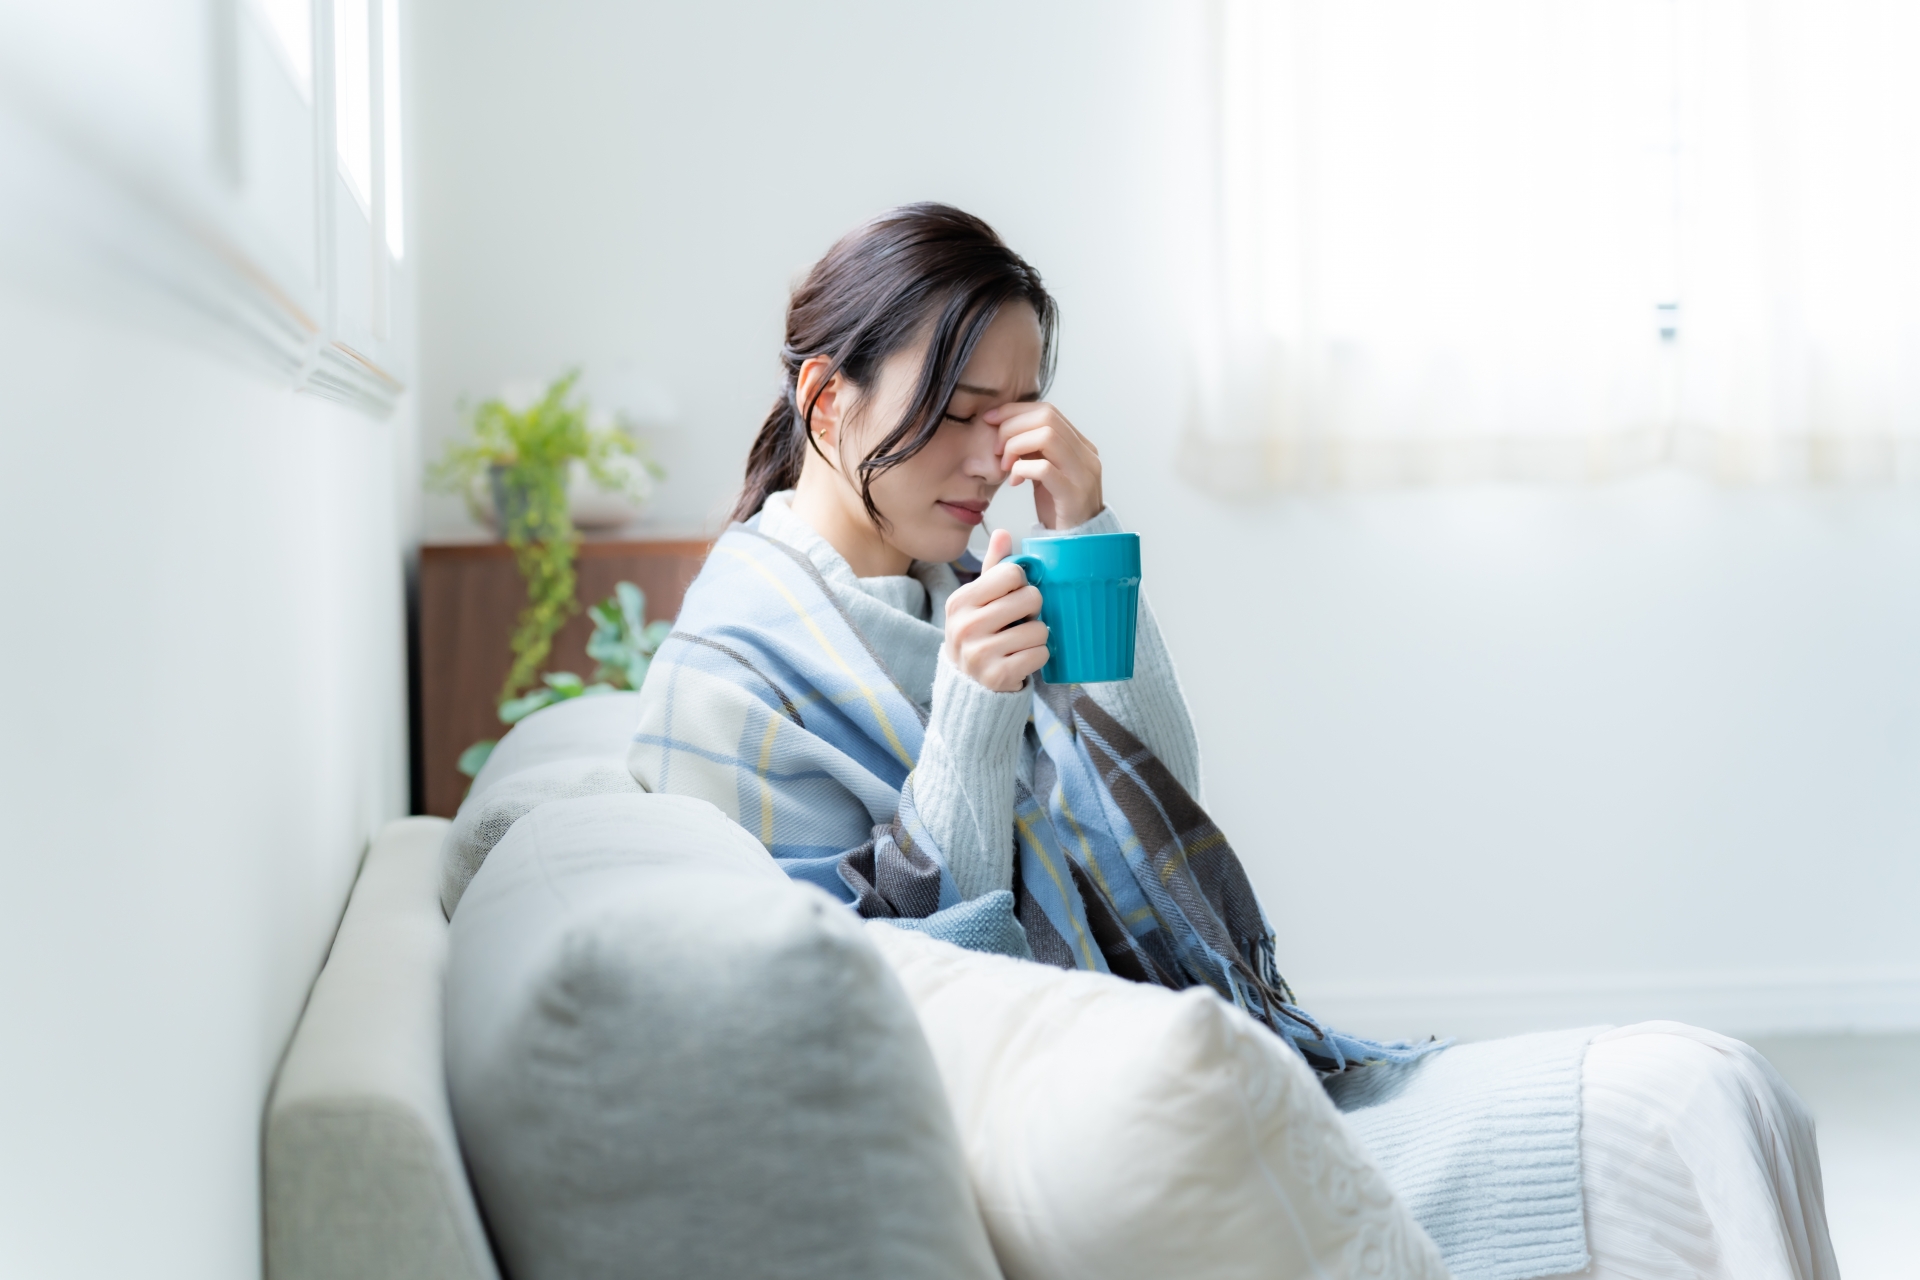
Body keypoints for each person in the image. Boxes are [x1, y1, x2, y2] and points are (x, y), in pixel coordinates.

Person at [630, 203, 1838, 1280]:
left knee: (1719, 1088)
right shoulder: (734, 673)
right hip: (1079, 1115)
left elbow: (1157, 797)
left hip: (1171, 1045)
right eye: (957, 413)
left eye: (1020, 413)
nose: (995, 457)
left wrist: (1089, 536)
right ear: (826, 398)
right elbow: (893, 1007)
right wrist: (971, 722)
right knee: (1689, 1104)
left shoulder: (952, 578)